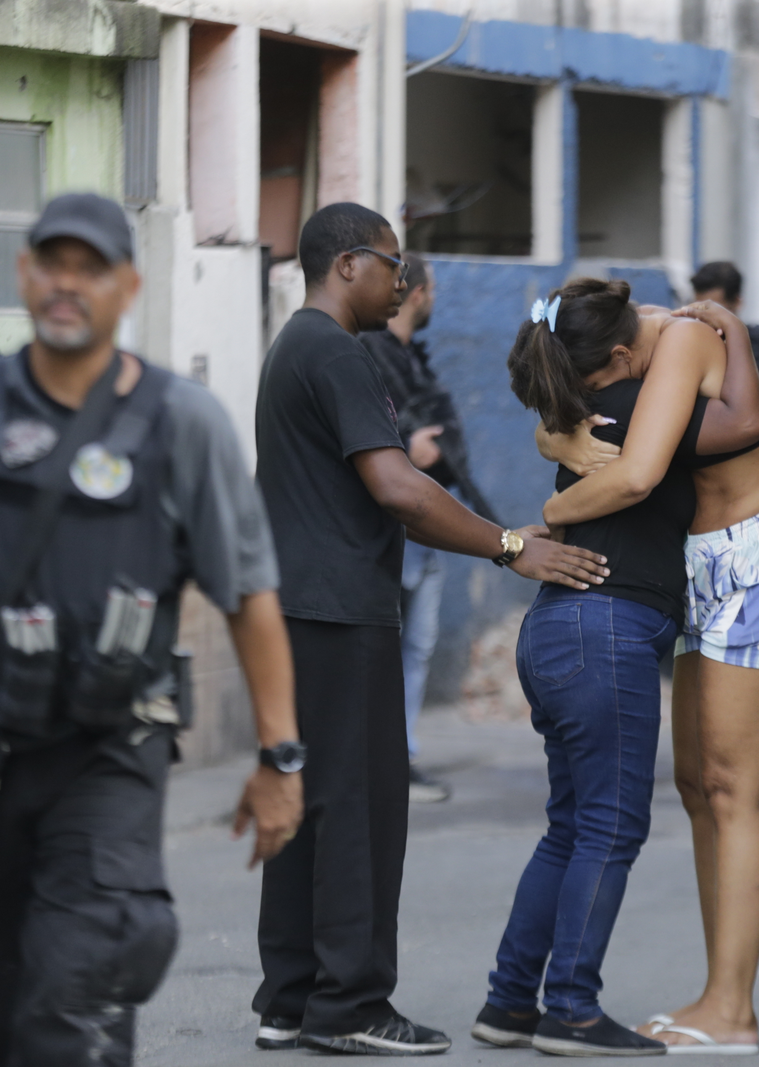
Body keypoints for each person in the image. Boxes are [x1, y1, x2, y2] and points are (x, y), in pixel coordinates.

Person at [0, 192, 305, 1066]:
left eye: (90, 268)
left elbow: (251, 594)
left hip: (108, 754)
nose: (68, 284)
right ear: (24, 275)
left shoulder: (181, 425)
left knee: (73, 989)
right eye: (51, 265)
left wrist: (280, 757)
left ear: (126, 286)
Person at [250, 203, 610, 1056]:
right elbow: (399, 489)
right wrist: (511, 544)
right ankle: (349, 1004)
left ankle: (291, 997)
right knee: (362, 810)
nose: (401, 279)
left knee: (310, 802)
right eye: (390, 261)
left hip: (297, 609)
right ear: (347, 264)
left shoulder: (296, 347)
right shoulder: (338, 352)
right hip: (339, 613)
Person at [472, 281, 759, 1056]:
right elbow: (726, 427)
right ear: (618, 353)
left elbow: (578, 431)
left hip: (556, 629)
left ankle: (509, 1003)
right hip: (606, 628)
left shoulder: (589, 409)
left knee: (571, 824)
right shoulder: (647, 406)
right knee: (609, 824)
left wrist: (552, 447)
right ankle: (568, 1006)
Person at [538, 291, 759, 1055]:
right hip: (703, 569)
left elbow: (636, 472)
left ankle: (733, 1009)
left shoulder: (684, 339)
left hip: (756, 564)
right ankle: (716, 993)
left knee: (735, 791)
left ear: (618, 354)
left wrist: (550, 511)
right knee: (699, 786)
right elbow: (574, 423)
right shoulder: (641, 355)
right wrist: (557, 439)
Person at [359, 252, 500, 803]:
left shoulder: (408, 357)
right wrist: (405, 450)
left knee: (414, 646)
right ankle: (375, 762)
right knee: (381, 648)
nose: (433, 298)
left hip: (426, 527)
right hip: (391, 527)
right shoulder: (365, 353)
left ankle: (400, 758)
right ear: (416, 293)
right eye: (432, 288)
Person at [690, 261, 759, 469]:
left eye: (715, 310)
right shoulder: (688, 345)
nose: (705, 318)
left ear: (737, 302)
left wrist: (721, 380)